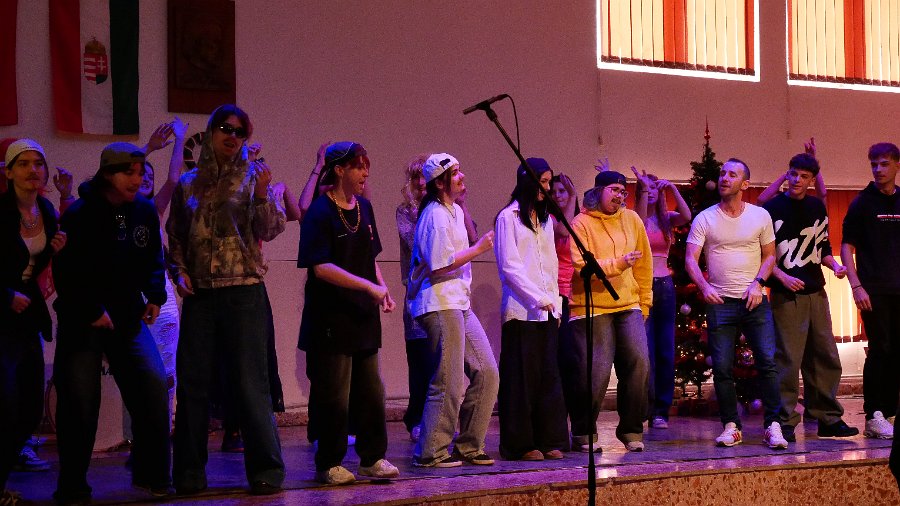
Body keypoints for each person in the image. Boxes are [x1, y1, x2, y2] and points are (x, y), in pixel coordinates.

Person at [167, 104, 286, 496]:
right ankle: (189, 473)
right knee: (193, 384)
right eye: (225, 128)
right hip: (201, 295)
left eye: (239, 131)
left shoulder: (254, 177)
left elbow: (271, 228)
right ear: (211, 132)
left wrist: (264, 194)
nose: (232, 136)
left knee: (251, 383)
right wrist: (179, 271)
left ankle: (266, 469)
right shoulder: (188, 183)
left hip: (244, 291)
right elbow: (176, 234)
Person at [52, 142, 171, 503]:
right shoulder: (80, 214)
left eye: (140, 172)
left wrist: (154, 294)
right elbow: (66, 271)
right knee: (80, 402)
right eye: (128, 172)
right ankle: (73, 485)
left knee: (152, 386)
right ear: (107, 174)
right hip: (82, 320)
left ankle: (151, 474)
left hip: (125, 315)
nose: (136, 179)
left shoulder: (141, 211)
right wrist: (91, 310)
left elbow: (152, 256)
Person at [297, 141, 400, 485]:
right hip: (332, 317)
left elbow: (370, 257)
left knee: (371, 391)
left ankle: (372, 458)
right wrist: (367, 287)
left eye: (366, 165)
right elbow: (320, 267)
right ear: (339, 170)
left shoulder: (364, 208)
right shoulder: (320, 212)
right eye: (358, 166)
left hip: (363, 315)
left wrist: (382, 288)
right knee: (335, 395)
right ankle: (329, 462)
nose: (365, 172)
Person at [757, 148, 859, 442]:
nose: (797, 180)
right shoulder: (773, 208)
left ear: (812, 180)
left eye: (803, 176)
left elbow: (822, 248)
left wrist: (835, 265)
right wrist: (781, 276)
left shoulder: (816, 207)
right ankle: (785, 420)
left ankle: (827, 417)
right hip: (787, 294)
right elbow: (764, 253)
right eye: (793, 174)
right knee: (788, 358)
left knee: (824, 354)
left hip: (816, 291)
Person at [685, 158, 787, 449]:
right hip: (721, 301)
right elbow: (690, 258)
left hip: (754, 300)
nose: (725, 178)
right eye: (722, 173)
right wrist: (704, 286)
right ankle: (731, 426)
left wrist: (759, 283)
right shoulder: (705, 218)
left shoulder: (759, 216)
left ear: (745, 184)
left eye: (732, 174)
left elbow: (770, 255)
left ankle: (773, 425)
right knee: (722, 367)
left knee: (767, 362)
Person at [408, 153, 498, 468]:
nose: (462, 177)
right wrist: (478, 248)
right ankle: (430, 451)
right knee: (447, 379)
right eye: (455, 173)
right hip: (439, 301)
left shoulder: (455, 211)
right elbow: (438, 264)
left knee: (487, 371)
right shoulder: (434, 215)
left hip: (459, 300)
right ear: (439, 182)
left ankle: (469, 445)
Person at [559, 170, 652, 453]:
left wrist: (645, 301)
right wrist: (619, 263)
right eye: (614, 190)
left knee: (638, 362)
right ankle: (584, 431)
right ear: (598, 191)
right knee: (595, 371)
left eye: (623, 192)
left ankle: (632, 430)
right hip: (591, 305)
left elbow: (644, 264)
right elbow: (583, 267)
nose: (620, 196)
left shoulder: (632, 220)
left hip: (628, 303)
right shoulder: (581, 223)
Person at [0, 139, 66, 505]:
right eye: (23, 164)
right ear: (9, 172)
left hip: (26, 319)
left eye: (38, 164)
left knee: (28, 409)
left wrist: (51, 252)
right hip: (2, 316)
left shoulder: (46, 210)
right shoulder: (0, 212)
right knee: (5, 403)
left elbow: (33, 266)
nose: (32, 170)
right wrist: (6, 295)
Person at [494, 158, 568, 460]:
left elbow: (550, 263)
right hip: (521, 310)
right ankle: (520, 444)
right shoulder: (508, 217)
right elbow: (510, 267)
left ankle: (548, 439)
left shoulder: (546, 220)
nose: (547, 188)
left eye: (549, 182)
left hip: (547, 309)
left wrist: (555, 303)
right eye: (543, 181)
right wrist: (539, 298)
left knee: (547, 377)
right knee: (521, 379)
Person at [842, 142, 900, 441]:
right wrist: (856, 285)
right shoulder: (862, 203)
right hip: (874, 290)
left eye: (884, 164)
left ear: (897, 165)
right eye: (874, 164)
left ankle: (890, 412)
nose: (878, 169)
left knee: (897, 351)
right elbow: (846, 247)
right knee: (881, 348)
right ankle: (874, 414)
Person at [631, 167, 691, 429]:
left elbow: (687, 215)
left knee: (666, 349)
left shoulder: (666, 219)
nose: (652, 193)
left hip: (664, 286)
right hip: (642, 287)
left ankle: (661, 411)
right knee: (645, 351)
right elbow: (640, 219)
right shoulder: (636, 218)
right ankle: (644, 406)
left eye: (655, 188)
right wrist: (644, 189)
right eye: (647, 189)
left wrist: (673, 188)